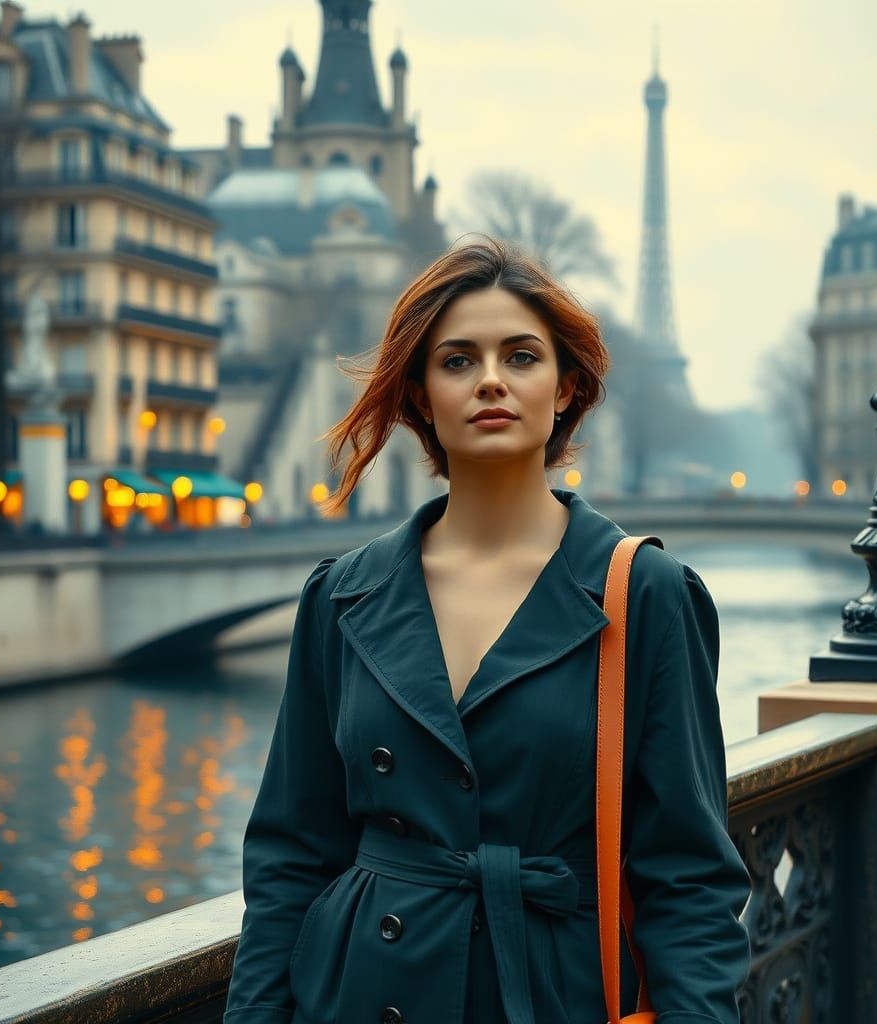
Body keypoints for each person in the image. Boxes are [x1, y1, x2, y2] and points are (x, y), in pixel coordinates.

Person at [223, 236, 752, 1024]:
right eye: (459, 360)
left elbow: (690, 879)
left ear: (568, 387)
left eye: (522, 357)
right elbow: (289, 858)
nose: (492, 380)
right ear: (419, 395)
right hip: (361, 995)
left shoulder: (645, 595)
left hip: (548, 996)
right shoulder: (341, 597)